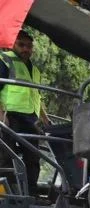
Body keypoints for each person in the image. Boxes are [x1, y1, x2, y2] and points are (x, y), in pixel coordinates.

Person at [0, 30, 49, 195]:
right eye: (21, 45)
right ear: (13, 44)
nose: (25, 49)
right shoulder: (5, 60)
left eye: (29, 46)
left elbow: (37, 96)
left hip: (31, 119)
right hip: (10, 116)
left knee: (33, 157)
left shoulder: (35, 70)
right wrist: (1, 115)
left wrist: (45, 119)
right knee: (7, 155)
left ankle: (31, 193)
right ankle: (8, 193)